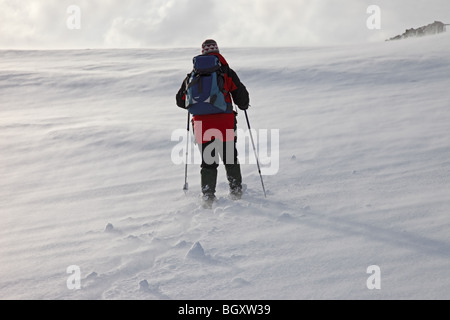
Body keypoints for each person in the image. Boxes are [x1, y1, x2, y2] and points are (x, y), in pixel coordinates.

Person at [176, 39, 250, 206]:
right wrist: (243, 105)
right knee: (230, 157)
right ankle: (236, 191)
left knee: (208, 161)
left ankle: (208, 195)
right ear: (217, 52)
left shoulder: (192, 75)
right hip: (225, 121)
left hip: (202, 124)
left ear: (203, 53)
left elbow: (180, 101)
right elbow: (241, 96)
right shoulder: (226, 72)